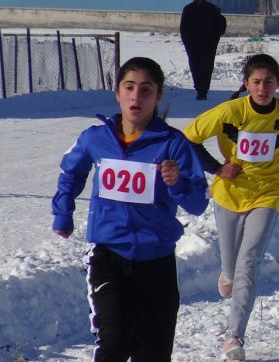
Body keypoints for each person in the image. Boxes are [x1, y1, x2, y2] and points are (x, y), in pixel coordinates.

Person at [51, 57, 210, 360]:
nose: (137, 97)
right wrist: (63, 212)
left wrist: (176, 183)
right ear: (118, 93)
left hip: (157, 262)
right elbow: (70, 172)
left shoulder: (173, 144)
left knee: (153, 353)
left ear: (158, 96)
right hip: (109, 256)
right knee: (113, 344)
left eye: (146, 89)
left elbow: (198, 204)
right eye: (130, 87)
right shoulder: (96, 138)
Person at [183, 54, 279, 361]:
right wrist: (218, 169)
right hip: (230, 194)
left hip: (267, 193)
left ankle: (233, 336)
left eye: (269, 82)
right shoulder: (229, 112)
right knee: (231, 272)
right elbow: (189, 139)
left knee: (249, 262)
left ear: (278, 84)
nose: (262, 88)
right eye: (256, 82)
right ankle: (226, 275)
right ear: (246, 84)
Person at [180, 0, 226, 100]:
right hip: (193, 45)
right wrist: (187, 42)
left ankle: (204, 89)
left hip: (208, 45)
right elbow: (183, 28)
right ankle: (198, 87)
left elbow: (219, 27)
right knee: (195, 66)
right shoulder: (188, 9)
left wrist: (214, 41)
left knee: (206, 67)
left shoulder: (212, 9)